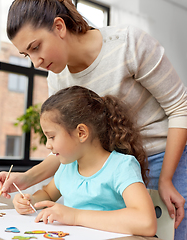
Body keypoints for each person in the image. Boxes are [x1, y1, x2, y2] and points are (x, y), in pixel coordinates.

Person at [0, 0, 187, 239]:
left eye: (36, 47)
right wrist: (26, 179)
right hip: (105, 164)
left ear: (59, 27)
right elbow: (67, 143)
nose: (35, 62)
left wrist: (167, 178)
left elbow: (180, 106)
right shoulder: (57, 78)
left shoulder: (128, 43)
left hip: (162, 156)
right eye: (27, 54)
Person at [13, 86, 157, 236]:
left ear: (81, 133)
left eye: (52, 137)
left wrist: (75, 216)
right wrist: (30, 201)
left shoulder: (121, 166)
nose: (48, 145)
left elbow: (146, 222)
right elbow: (48, 194)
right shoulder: (67, 167)